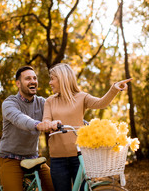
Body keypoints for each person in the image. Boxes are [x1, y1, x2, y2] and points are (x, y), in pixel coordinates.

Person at [42, 63, 132, 191]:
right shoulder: (50, 101)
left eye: (52, 78)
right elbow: (46, 120)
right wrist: (49, 124)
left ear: (62, 78)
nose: (50, 82)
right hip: (57, 159)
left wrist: (114, 89)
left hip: (79, 157)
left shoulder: (81, 97)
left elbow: (101, 103)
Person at [0, 66, 59, 191]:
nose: (33, 81)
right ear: (18, 84)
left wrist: (83, 123)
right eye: (28, 79)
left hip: (33, 158)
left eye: (34, 78)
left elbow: (61, 113)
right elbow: (20, 119)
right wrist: (38, 124)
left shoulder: (43, 103)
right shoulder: (9, 103)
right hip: (10, 158)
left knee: (57, 186)